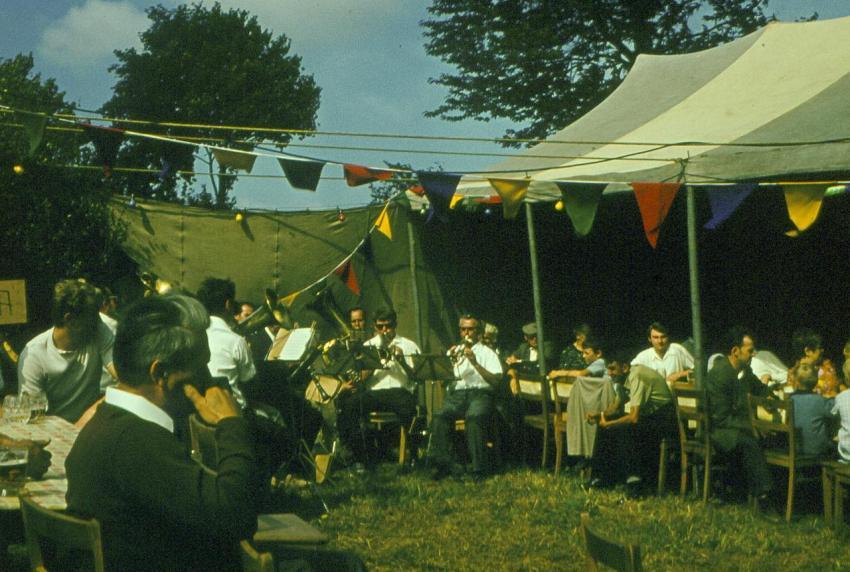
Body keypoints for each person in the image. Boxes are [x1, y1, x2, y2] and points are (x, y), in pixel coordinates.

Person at [64, 294, 262, 571]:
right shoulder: (137, 442)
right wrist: (232, 424)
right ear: (160, 373)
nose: (208, 377)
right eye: (199, 366)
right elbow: (236, 517)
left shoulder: (108, 422)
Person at [17, 279, 117, 423]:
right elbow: (33, 419)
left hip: (92, 425)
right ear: (70, 320)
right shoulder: (34, 355)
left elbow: (126, 379)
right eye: (93, 317)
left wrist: (91, 414)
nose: (100, 321)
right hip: (51, 431)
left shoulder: (99, 330)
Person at [337, 308, 420, 468]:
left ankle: (412, 455)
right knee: (351, 405)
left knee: (411, 411)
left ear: (395, 325)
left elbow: (417, 377)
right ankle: (361, 457)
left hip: (399, 392)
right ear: (375, 327)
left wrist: (401, 360)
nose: (384, 331)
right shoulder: (368, 346)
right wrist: (375, 362)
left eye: (388, 326)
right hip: (374, 393)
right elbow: (360, 379)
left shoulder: (409, 345)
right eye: (380, 327)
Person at [429, 314, 503, 480]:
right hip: (458, 394)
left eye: (470, 329)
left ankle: (478, 469)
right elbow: (446, 379)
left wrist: (475, 363)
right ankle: (443, 465)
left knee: (474, 416)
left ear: (478, 332)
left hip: (480, 394)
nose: (466, 333)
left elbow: (496, 381)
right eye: (463, 330)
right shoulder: (454, 351)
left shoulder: (488, 352)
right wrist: (448, 365)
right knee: (440, 416)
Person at [705, 326, 772, 501]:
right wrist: (754, 426)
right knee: (749, 441)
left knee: (772, 436)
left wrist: (769, 397)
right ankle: (764, 496)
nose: (754, 354)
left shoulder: (744, 371)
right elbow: (721, 418)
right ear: (735, 351)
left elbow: (761, 389)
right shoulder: (720, 374)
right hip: (719, 431)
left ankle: (775, 489)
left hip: (736, 426)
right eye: (750, 350)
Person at [588, 363, 675, 494]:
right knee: (604, 428)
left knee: (625, 429)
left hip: (664, 420)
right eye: (608, 369)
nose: (610, 373)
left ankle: (634, 481)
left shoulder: (637, 376)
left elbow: (633, 417)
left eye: (612, 369)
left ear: (624, 368)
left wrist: (610, 424)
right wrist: (600, 415)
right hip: (648, 417)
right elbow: (616, 406)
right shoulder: (623, 379)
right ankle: (602, 477)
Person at [196, 278, 256, 409]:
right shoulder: (236, 341)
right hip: (233, 412)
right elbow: (248, 381)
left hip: (201, 409)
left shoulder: (194, 334)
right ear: (228, 304)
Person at [789, 363, 836, 457]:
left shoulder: (791, 399)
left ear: (797, 382)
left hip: (795, 447)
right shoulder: (819, 400)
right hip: (817, 449)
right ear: (815, 382)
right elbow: (833, 413)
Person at [505, 322, 555, 394]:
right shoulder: (523, 347)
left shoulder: (547, 346)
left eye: (536, 336)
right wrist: (511, 362)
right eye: (531, 337)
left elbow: (541, 364)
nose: (535, 339)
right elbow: (511, 358)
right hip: (525, 383)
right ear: (526, 337)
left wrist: (519, 362)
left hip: (542, 385)